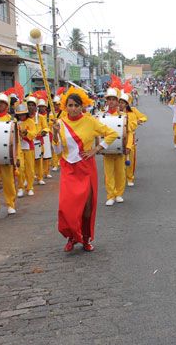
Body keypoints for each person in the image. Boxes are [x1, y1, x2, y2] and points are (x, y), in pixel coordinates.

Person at [52, 91, 118, 251]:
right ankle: (72, 237)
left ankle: (86, 239)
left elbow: (112, 133)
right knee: (67, 206)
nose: (73, 109)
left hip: (86, 167)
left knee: (87, 205)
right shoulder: (59, 123)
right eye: (70, 106)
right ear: (65, 107)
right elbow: (57, 149)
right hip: (68, 168)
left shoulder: (90, 121)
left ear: (82, 106)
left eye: (76, 105)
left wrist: (96, 149)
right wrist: (54, 132)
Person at [101, 87, 129, 205]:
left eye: (114, 99)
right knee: (108, 174)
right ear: (106, 101)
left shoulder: (123, 116)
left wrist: (128, 146)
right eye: (109, 99)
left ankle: (119, 193)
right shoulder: (101, 116)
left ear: (117, 102)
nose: (111, 101)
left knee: (120, 173)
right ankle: (110, 195)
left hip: (119, 148)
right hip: (107, 148)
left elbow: (129, 132)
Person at [15, 103, 37, 198]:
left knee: (30, 169)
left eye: (23, 114)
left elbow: (34, 134)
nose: (21, 116)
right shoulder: (15, 122)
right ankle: (20, 188)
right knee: (20, 168)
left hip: (28, 147)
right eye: (20, 114)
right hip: (18, 148)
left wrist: (26, 132)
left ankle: (30, 187)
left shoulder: (30, 121)